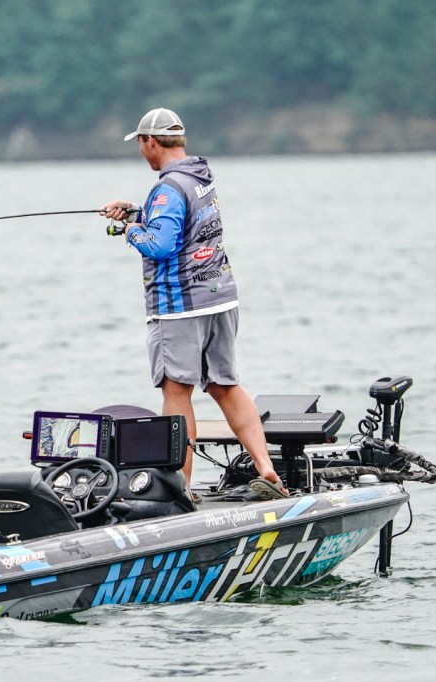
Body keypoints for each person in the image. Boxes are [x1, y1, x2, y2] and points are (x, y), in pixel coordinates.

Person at [99, 107, 285, 500]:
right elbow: (183, 223)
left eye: (141, 144)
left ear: (151, 141)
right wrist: (139, 211)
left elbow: (161, 244)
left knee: (176, 391)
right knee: (226, 386)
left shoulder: (167, 188)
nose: (142, 152)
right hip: (219, 298)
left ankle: (179, 488)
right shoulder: (200, 178)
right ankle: (265, 467)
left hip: (180, 306)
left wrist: (131, 230)